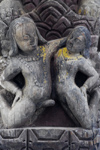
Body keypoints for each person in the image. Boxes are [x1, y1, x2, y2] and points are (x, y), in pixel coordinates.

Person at [0, 16, 67, 128]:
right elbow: (3, 79)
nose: (32, 41)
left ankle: (41, 104)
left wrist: (76, 36)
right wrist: (16, 91)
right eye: (26, 39)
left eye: (34, 35)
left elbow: (64, 40)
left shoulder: (45, 50)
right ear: (15, 42)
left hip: (45, 96)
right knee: (10, 123)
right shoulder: (18, 61)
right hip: (30, 100)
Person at [54, 26, 99, 129]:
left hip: (71, 93)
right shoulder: (60, 52)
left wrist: (85, 87)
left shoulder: (79, 60)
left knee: (88, 125)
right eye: (71, 37)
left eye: (77, 41)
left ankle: (96, 97)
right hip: (59, 94)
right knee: (77, 123)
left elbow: (95, 75)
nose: (71, 42)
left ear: (84, 46)